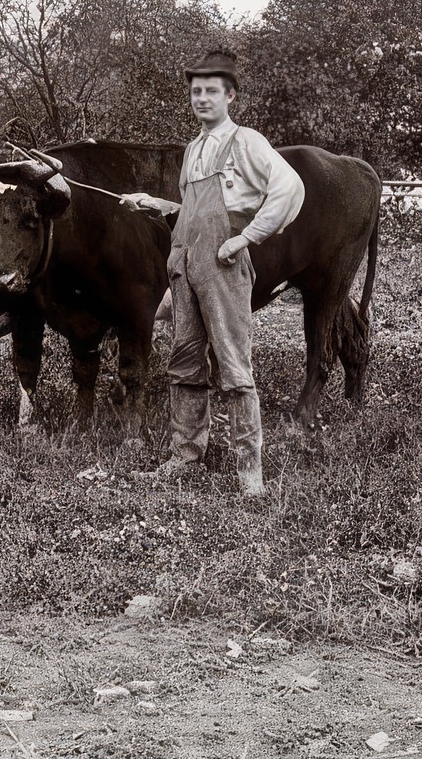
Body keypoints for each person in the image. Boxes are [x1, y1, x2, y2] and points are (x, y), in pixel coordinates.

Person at [121, 49, 304, 496]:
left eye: (211, 92)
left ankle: (250, 475)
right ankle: (185, 458)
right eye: (195, 91)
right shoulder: (194, 149)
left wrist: (244, 239)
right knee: (184, 365)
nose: (202, 99)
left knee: (234, 368)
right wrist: (157, 204)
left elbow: (289, 188)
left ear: (230, 97)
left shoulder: (246, 142)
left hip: (223, 267)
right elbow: (196, 214)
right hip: (185, 268)